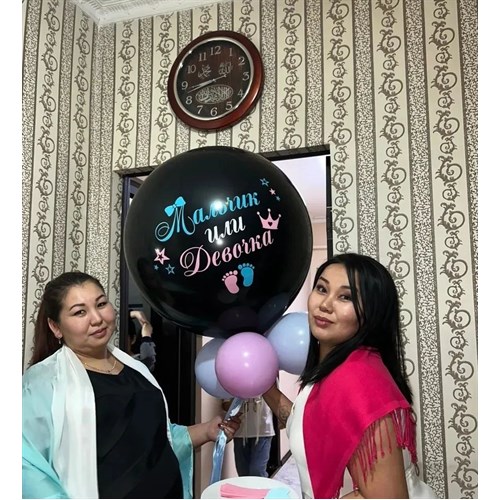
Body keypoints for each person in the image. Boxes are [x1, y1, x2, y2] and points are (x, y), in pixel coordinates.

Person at [22, 271, 240, 499]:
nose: (97, 318)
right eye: (80, 312)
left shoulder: (136, 368)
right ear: (55, 326)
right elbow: (27, 466)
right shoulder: (43, 383)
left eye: (101, 304)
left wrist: (206, 430)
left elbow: (156, 439)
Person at [263, 253, 437, 499]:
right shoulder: (333, 370)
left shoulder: (357, 380)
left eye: (345, 297)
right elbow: (303, 424)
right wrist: (264, 387)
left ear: (371, 313)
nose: (325, 304)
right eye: (322, 289)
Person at [221, 397, 275, 477]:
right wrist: (236, 407)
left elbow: (275, 399)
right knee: (243, 473)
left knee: (257, 472)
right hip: (240, 431)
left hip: (263, 429)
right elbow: (225, 404)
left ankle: (262, 485)